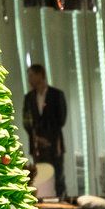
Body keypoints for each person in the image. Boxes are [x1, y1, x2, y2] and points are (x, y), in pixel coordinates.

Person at [21, 64, 68, 198]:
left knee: (57, 175)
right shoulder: (29, 97)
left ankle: (61, 200)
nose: (29, 79)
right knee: (40, 176)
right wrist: (36, 136)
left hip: (54, 144)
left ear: (40, 75)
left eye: (31, 75)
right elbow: (26, 120)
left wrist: (47, 137)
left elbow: (61, 119)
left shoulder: (56, 95)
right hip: (37, 144)